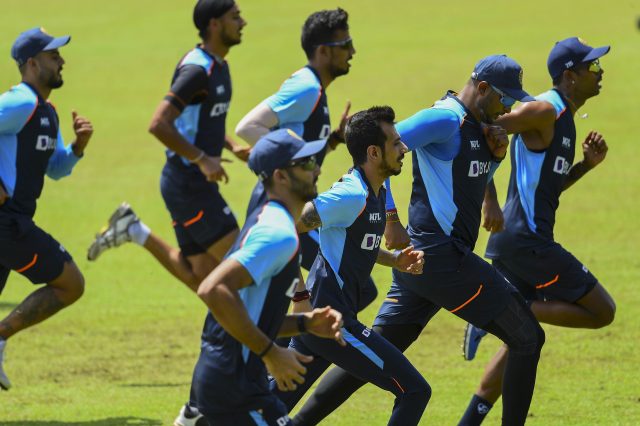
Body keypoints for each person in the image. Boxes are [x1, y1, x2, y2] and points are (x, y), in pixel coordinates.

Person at [290, 55, 545, 426]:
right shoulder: (444, 118)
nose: (508, 108)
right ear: (483, 89)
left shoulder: (480, 126)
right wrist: (391, 220)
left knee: (365, 356)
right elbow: (375, 156)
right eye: (505, 99)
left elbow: (466, 173)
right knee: (527, 337)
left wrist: (496, 159)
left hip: (419, 262)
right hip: (442, 257)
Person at [458, 37, 615, 426]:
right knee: (602, 311)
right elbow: (479, 125)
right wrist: (487, 199)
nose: (600, 74)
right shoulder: (544, 109)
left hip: (519, 243)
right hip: (527, 242)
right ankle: (506, 311)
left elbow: (547, 188)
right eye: (592, 68)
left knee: (521, 341)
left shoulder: (561, 116)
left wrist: (584, 167)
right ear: (570, 75)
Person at [271, 106, 430, 425]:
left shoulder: (375, 191)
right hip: (333, 323)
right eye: (396, 144)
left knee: (265, 408)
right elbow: (281, 230)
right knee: (414, 390)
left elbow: (357, 246)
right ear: (373, 152)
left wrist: (395, 259)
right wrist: (299, 295)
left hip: (322, 324)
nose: (404, 149)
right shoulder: (350, 195)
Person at [87, 0, 250, 294]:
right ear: (214, 24)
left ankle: (135, 231)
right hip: (189, 185)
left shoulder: (218, 65)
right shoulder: (197, 71)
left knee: (200, 275)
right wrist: (202, 159)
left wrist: (230, 146)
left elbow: (199, 120)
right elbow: (159, 124)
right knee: (246, 266)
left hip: (187, 183)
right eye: (235, 17)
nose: (243, 22)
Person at [190, 128, 345, 426]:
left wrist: (305, 323)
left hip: (231, 380)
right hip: (234, 385)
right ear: (281, 177)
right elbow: (212, 289)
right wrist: (271, 352)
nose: (318, 169)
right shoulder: (278, 234)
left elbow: (254, 315)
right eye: (307, 164)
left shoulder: (272, 219)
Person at [235, 7, 379, 318]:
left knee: (355, 291)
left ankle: (293, 353)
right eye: (346, 45)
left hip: (293, 203)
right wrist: (273, 157)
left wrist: (332, 141)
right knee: (295, 303)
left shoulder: (315, 91)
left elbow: (302, 155)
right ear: (324, 51)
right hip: (280, 204)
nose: (353, 51)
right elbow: (247, 127)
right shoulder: (306, 88)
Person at [0, 27, 93, 390]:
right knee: (71, 284)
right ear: (32, 63)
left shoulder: (46, 111)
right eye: (54, 57)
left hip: (15, 222)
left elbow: (54, 168)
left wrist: (77, 148)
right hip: (8, 224)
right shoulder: (20, 102)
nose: (62, 61)